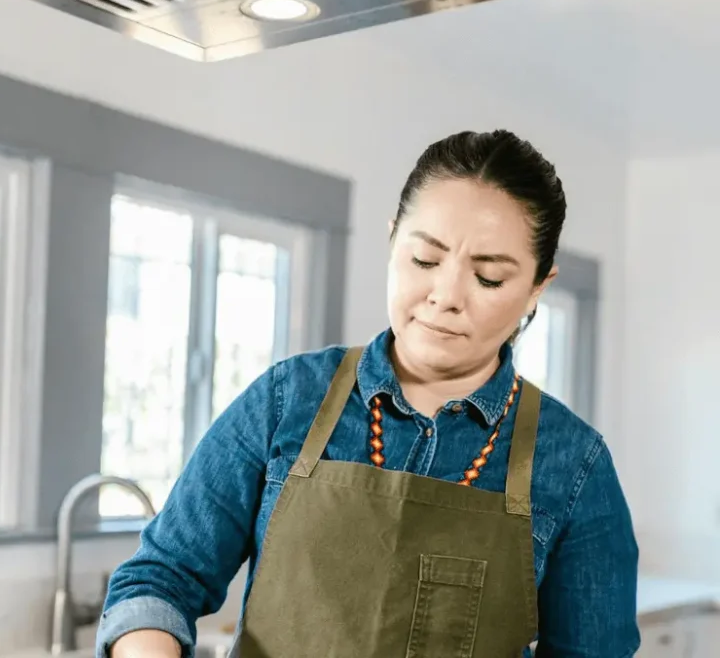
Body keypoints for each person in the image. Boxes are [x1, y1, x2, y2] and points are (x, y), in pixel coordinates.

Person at [97, 129, 640, 658]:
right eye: (425, 260)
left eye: (490, 278)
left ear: (538, 286)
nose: (445, 296)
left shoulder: (574, 464)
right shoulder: (288, 401)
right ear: (391, 241)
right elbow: (160, 580)